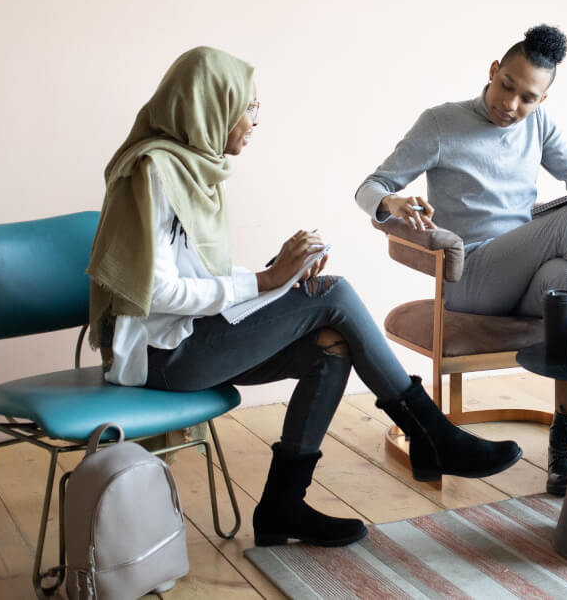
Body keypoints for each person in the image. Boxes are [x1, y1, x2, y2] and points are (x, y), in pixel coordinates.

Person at [86, 46, 522, 548]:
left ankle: (282, 507)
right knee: (333, 294)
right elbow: (158, 292)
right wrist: (265, 281)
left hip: (189, 339)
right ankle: (434, 436)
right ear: (210, 107)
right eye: (247, 107)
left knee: (330, 344)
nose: (254, 121)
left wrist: (280, 272)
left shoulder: (195, 169)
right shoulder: (154, 172)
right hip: (162, 358)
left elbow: (198, 273)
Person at [354, 25, 567, 496]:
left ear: (542, 101)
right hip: (470, 278)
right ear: (493, 70)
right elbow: (370, 186)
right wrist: (393, 203)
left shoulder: (538, 125)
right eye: (507, 85)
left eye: (527, 98)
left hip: (522, 280)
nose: (511, 104)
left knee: (565, 279)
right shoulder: (441, 123)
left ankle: (564, 435)